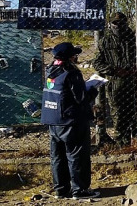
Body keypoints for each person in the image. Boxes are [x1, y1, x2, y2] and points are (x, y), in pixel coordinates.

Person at [41, 42, 100, 200]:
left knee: (58, 156)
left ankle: (61, 189)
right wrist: (94, 89)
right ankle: (80, 190)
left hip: (53, 119)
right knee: (77, 155)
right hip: (70, 121)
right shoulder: (71, 72)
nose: (76, 56)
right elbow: (81, 98)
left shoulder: (50, 69)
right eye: (74, 54)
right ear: (69, 57)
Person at [92, 12, 137, 146]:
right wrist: (115, 70)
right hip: (115, 83)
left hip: (136, 81)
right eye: (115, 23)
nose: (118, 25)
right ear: (110, 24)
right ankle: (121, 144)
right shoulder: (105, 41)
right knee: (118, 113)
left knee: (136, 113)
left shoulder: (134, 38)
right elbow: (97, 62)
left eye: (121, 22)